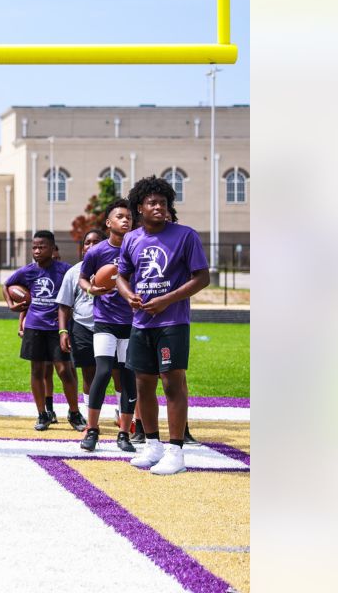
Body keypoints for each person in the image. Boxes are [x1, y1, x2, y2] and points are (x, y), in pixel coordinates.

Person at [116, 176, 210, 475]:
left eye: (163, 202)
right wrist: (128, 293)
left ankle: (176, 450)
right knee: (143, 383)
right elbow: (121, 275)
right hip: (141, 322)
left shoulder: (185, 236)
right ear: (139, 207)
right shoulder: (131, 238)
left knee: (172, 383)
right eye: (152, 202)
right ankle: (152, 444)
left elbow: (202, 278)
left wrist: (166, 300)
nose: (159, 206)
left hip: (172, 321)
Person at [5, 231, 86, 431]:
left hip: (56, 328)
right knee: (37, 371)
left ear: (52, 248)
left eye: (42, 247)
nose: (37, 251)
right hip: (34, 327)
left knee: (64, 371)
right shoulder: (27, 271)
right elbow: (6, 285)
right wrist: (12, 305)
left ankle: (74, 412)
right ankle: (43, 414)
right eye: (34, 247)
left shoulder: (64, 270)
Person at [77, 200, 139, 453]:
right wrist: (91, 288)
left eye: (129, 218)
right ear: (108, 223)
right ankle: (92, 429)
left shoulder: (138, 248)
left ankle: (124, 432)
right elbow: (82, 278)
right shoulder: (96, 252)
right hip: (105, 321)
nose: (126, 221)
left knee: (127, 376)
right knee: (102, 372)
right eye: (120, 217)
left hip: (132, 322)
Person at [57, 229, 104, 419]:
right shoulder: (73, 272)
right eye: (88, 242)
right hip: (82, 327)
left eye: (96, 242)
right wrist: (63, 331)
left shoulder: (115, 268)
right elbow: (64, 305)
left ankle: (121, 413)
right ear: (82, 248)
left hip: (109, 326)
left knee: (118, 372)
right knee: (89, 373)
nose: (91, 246)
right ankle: (91, 416)